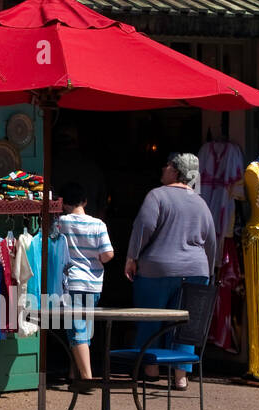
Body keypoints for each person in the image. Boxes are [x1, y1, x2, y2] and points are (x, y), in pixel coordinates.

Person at [125, 152, 217, 389]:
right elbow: (210, 239)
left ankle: (151, 368)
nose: (163, 168)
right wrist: (209, 268)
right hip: (196, 270)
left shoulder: (157, 195)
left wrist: (132, 256)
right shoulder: (200, 201)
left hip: (158, 268)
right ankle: (181, 376)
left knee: (150, 317)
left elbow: (144, 226)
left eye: (166, 165)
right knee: (186, 323)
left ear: (175, 171)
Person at [56, 181, 114, 382]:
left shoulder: (61, 223)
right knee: (84, 329)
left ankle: (87, 378)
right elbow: (107, 254)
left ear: (63, 203)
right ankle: (75, 374)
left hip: (72, 282)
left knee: (76, 329)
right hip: (94, 283)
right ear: (85, 201)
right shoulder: (99, 224)